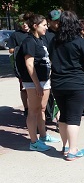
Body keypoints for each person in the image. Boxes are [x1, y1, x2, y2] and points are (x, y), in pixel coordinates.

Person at [49, 11, 84, 160]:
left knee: (63, 116)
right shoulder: (80, 41)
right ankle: (73, 150)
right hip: (77, 83)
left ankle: (65, 146)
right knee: (74, 118)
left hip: (58, 83)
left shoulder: (54, 41)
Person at [15, 13, 60, 152]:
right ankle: (33, 142)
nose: (47, 27)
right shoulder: (29, 41)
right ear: (35, 26)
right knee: (33, 111)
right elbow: (29, 65)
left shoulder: (40, 40)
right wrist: (37, 84)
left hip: (44, 80)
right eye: (44, 25)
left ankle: (43, 136)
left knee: (41, 109)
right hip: (34, 82)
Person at [8, 14, 30, 116]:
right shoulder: (15, 35)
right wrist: (20, 48)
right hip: (22, 66)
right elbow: (11, 50)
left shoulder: (35, 33)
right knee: (24, 88)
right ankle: (26, 108)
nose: (24, 25)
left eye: (26, 22)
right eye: (22, 23)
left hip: (36, 65)